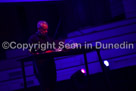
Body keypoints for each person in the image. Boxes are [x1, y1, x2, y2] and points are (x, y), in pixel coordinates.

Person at [28, 21, 57, 91]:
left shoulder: (48, 38)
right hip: (40, 66)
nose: (46, 31)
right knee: (45, 86)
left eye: (47, 29)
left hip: (50, 64)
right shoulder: (32, 39)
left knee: (53, 83)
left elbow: (53, 48)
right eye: (44, 30)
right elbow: (31, 52)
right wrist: (44, 52)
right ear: (39, 29)